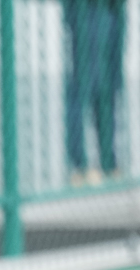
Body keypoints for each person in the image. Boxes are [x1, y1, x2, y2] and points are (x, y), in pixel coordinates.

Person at [64, 0, 126, 186]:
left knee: (108, 88)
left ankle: (108, 162)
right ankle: (79, 166)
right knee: (86, 82)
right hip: (88, 8)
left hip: (114, 8)